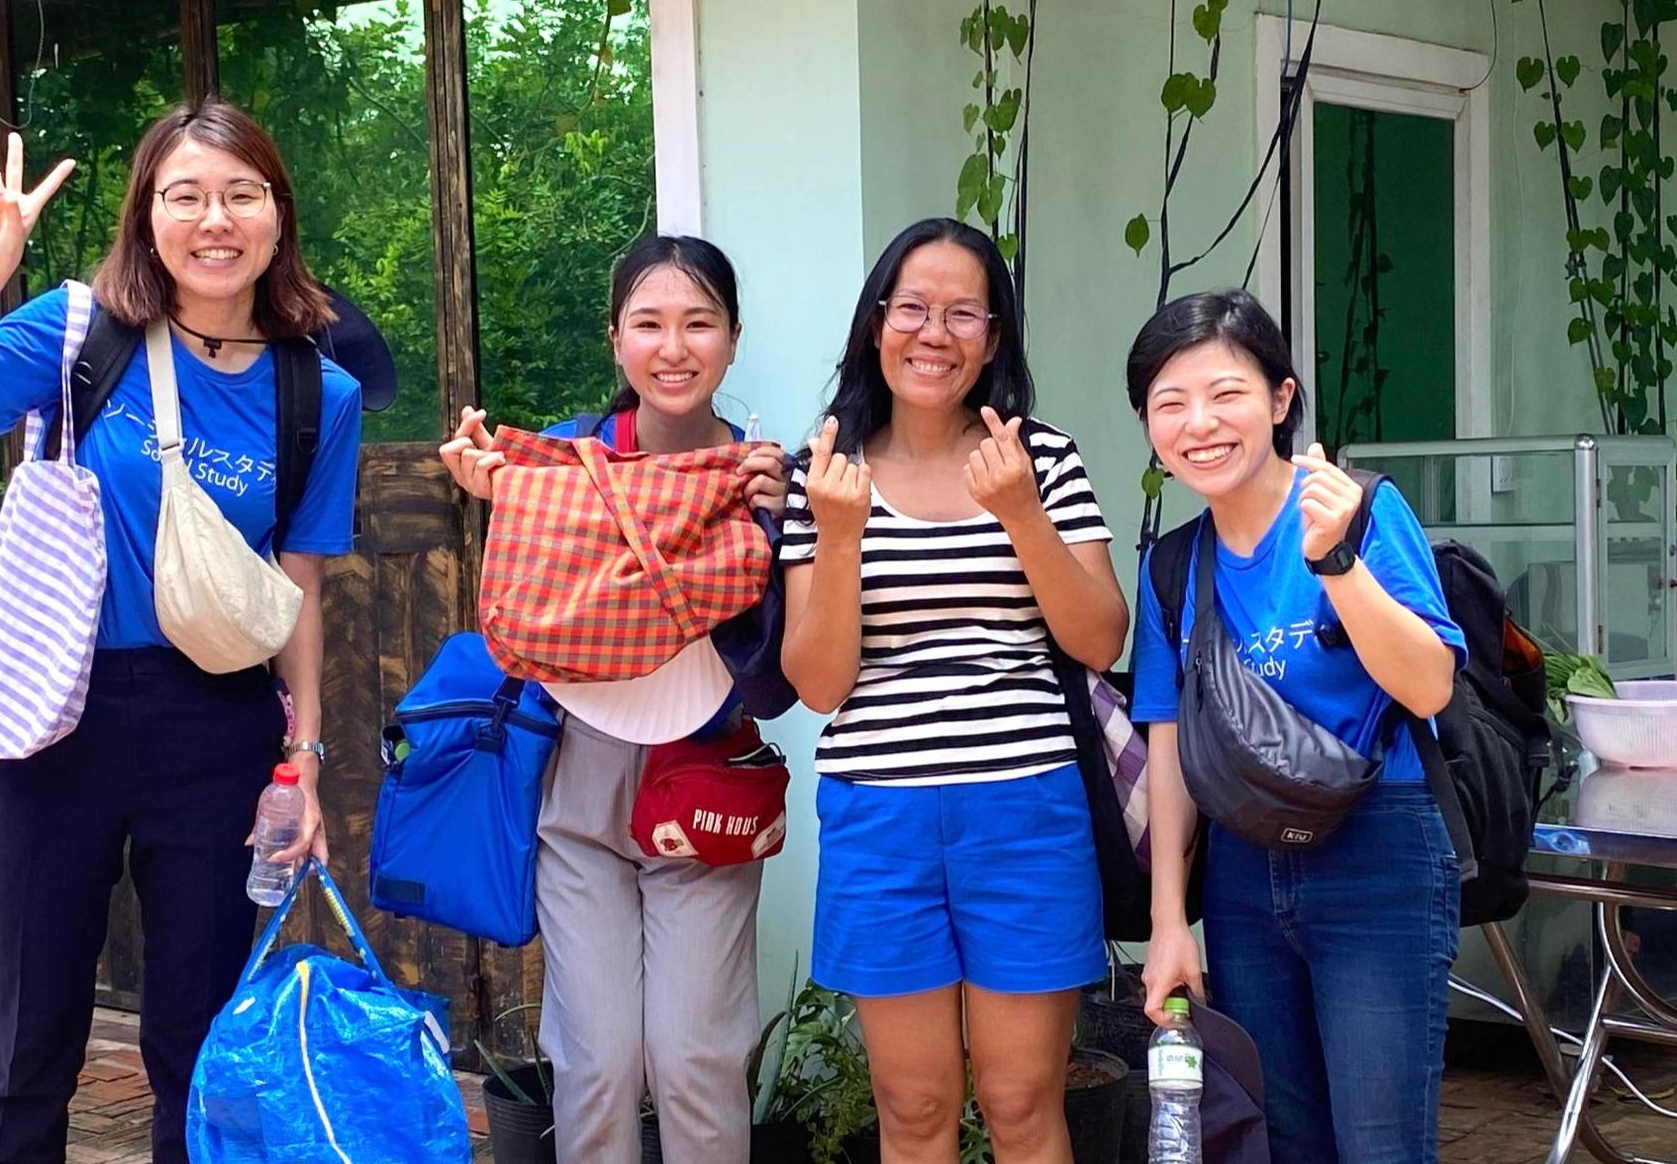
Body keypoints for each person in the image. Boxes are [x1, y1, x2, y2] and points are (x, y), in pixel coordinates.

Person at [0, 99, 363, 1164]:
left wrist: (304, 756)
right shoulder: (80, 332)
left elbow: (298, 582)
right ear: (146, 214)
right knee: (33, 1036)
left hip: (214, 723)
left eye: (241, 194)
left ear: (277, 214)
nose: (214, 220)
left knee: (196, 1039)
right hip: (54, 717)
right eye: (186, 195)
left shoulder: (320, 389)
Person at [778, 217, 1127, 1164]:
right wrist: (839, 533)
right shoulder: (826, 472)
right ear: (876, 323)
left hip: (1027, 812)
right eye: (912, 309)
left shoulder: (1041, 458)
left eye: (963, 314)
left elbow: (1100, 638)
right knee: (915, 1108)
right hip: (880, 817)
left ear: (994, 336)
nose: (934, 334)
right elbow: (818, 684)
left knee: (1022, 1104)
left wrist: (1019, 511)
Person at [438, 234, 786, 1163]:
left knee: (695, 1057)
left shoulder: (761, 474)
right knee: (594, 1061)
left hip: (705, 779)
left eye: (698, 323)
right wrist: (492, 498)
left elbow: (782, 678)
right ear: (616, 339)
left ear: (734, 338)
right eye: (649, 324)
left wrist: (783, 526)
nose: (673, 348)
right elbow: (525, 614)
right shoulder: (568, 457)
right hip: (579, 776)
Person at [1126, 289, 1464, 1164]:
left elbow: (1429, 685)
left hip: (1378, 850)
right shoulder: (1173, 566)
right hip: (1242, 867)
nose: (1200, 423)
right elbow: (1168, 744)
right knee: (1281, 1141)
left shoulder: (1363, 510)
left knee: (1382, 1145)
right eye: (1170, 402)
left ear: (1280, 400)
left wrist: (1336, 562)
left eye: (1226, 393)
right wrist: (1170, 923)